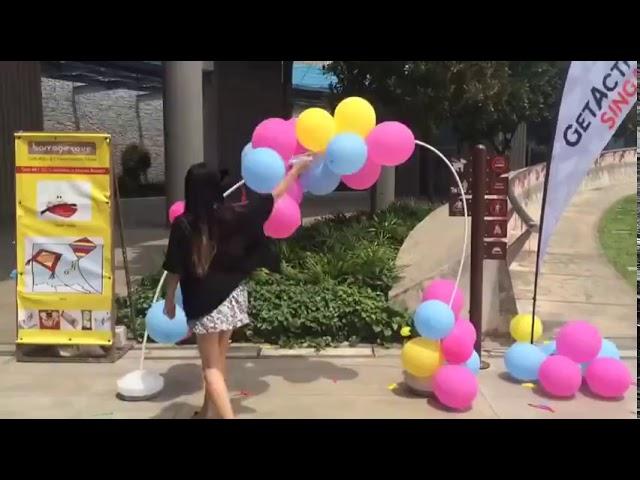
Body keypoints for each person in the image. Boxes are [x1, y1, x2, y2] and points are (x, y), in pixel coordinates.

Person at [162, 158, 311, 419]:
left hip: (205, 304)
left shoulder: (184, 224)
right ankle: (209, 411)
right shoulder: (233, 215)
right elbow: (273, 197)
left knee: (210, 367)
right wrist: (296, 171)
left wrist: (169, 299)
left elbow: (175, 266)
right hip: (232, 297)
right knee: (218, 359)